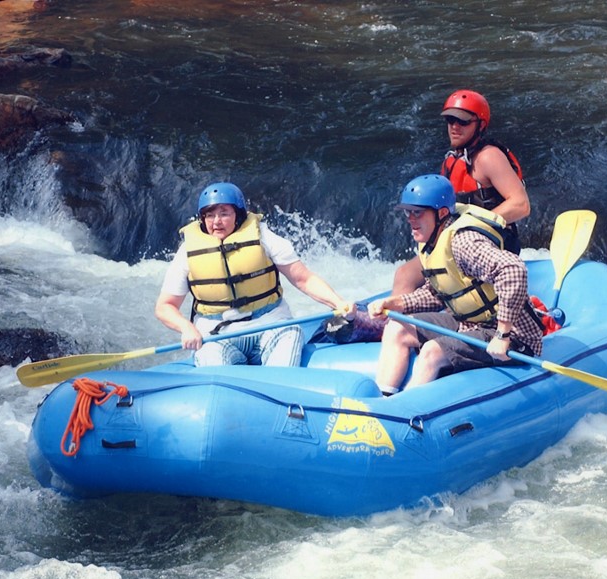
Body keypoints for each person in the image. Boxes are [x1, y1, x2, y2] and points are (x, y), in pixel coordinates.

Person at [367, 174, 542, 396]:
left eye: (418, 212)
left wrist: (503, 334)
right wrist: (398, 302)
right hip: (468, 324)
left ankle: (401, 414)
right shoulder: (432, 240)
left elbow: (513, 269)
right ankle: (383, 400)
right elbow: (440, 291)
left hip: (513, 336)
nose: (410, 218)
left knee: (431, 351)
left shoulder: (463, 241)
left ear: (441, 214)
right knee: (396, 328)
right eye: (408, 212)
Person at [155, 182, 354, 367]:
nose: (216, 221)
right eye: (209, 215)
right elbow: (165, 307)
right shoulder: (188, 251)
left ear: (238, 215)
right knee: (210, 356)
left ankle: (280, 394)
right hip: (218, 335)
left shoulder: (264, 237)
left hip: (270, 325)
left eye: (224, 213)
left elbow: (303, 278)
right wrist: (186, 327)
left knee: (291, 333)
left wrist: (337, 303)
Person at [391, 89, 530, 295]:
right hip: (457, 244)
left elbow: (521, 204)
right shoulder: (451, 161)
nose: (455, 127)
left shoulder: (489, 157)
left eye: (463, 122)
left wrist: (470, 227)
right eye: (450, 120)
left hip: (491, 246)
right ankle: (396, 325)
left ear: (480, 125)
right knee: (405, 274)